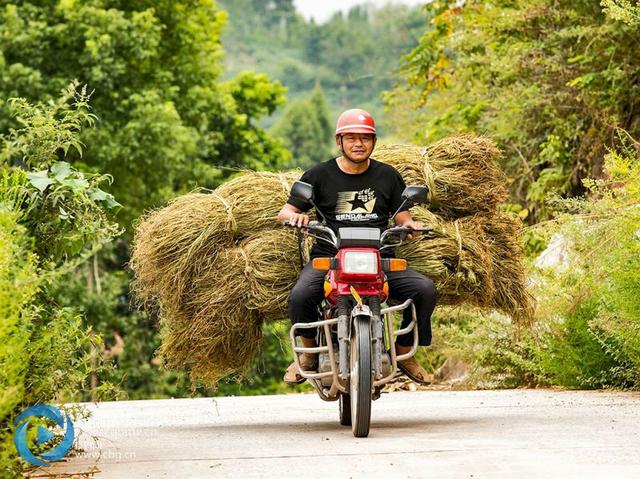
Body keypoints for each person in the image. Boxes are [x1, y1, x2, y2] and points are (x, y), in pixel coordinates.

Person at [277, 108, 438, 385]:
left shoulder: (388, 175)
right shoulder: (318, 175)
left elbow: (402, 215)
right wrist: (295, 217)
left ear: (373, 142)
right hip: (331, 259)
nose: (358, 144)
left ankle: (403, 352)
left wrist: (409, 226)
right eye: (351, 138)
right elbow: (285, 211)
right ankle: (307, 353)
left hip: (379, 258)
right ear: (339, 141)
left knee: (425, 290)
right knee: (300, 296)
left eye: (364, 138)